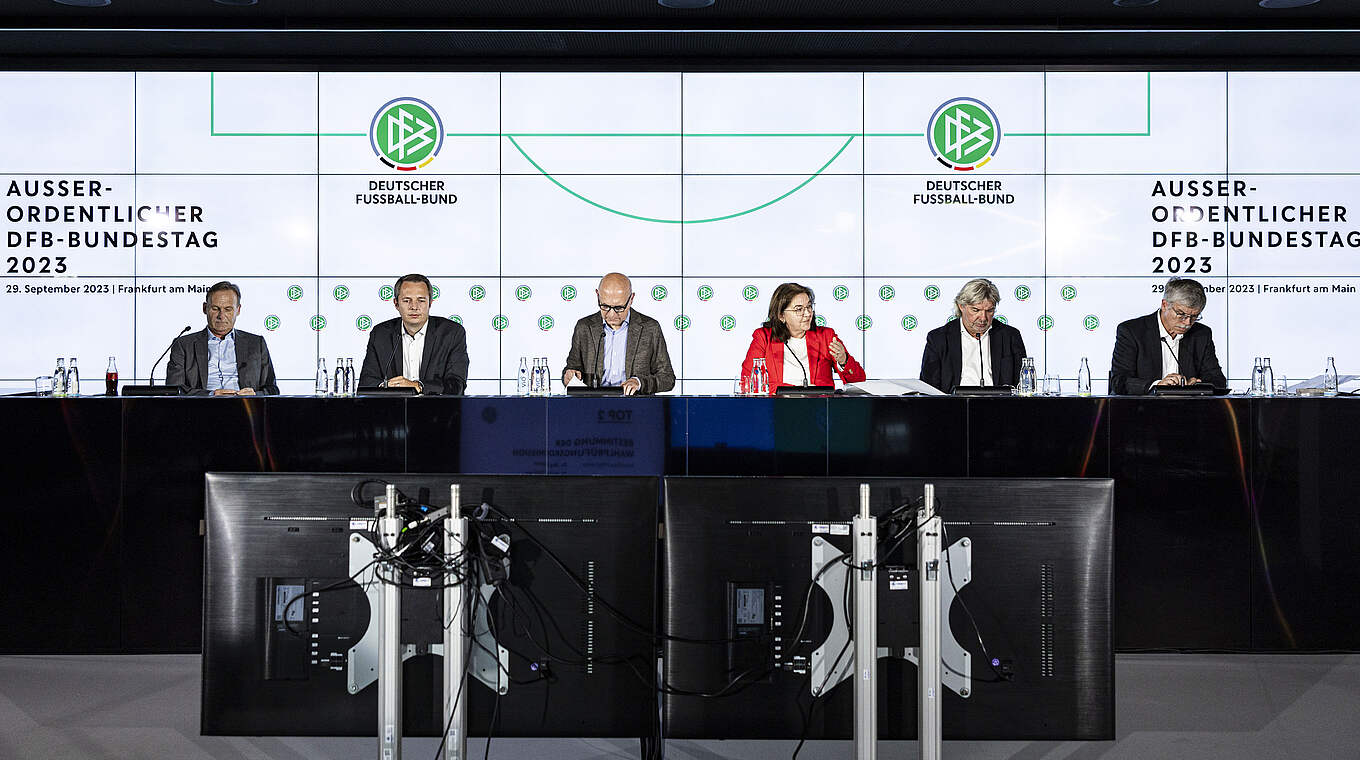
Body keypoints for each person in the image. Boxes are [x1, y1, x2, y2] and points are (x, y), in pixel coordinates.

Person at [561, 272, 675, 395]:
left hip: (636, 404)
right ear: (597, 295)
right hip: (593, 403)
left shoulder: (650, 328)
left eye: (619, 308)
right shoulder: (584, 327)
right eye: (605, 306)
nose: (611, 314)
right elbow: (571, 369)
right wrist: (569, 375)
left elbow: (667, 378)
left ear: (631, 299)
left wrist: (639, 383)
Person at [1109, 276, 1226, 395]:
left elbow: (1218, 381)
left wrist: (1198, 385)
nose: (1187, 323)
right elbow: (1119, 382)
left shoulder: (1202, 334)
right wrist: (1156, 386)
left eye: (1194, 316)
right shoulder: (1132, 331)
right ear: (1164, 305)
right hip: (1142, 405)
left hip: (1188, 405)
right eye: (1181, 314)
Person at [740, 282, 865, 392]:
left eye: (809, 307)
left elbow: (859, 383)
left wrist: (844, 361)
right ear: (781, 315)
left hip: (819, 407)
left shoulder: (825, 336)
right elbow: (749, 382)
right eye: (799, 309)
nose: (807, 313)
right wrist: (798, 392)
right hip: (778, 406)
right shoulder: (764, 338)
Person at [358, 273, 468, 395]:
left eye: (421, 300)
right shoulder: (380, 334)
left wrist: (418, 386)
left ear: (430, 303)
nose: (414, 307)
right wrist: (385, 386)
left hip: (437, 407)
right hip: (393, 406)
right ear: (396, 304)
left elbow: (456, 386)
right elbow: (366, 383)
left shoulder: (451, 333)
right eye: (407, 300)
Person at [166, 281, 279, 396]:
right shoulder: (183, 345)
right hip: (202, 405)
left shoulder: (256, 344)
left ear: (238, 310)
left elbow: (272, 390)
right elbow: (174, 389)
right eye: (215, 309)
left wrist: (254, 395)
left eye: (228, 309)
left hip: (245, 405)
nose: (221, 316)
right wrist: (210, 394)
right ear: (205, 308)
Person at [919, 278, 1026, 394]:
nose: (983, 318)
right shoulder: (938, 338)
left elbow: (1023, 385)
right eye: (976, 310)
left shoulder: (1010, 336)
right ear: (961, 306)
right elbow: (928, 388)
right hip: (953, 404)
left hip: (999, 403)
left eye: (989, 311)